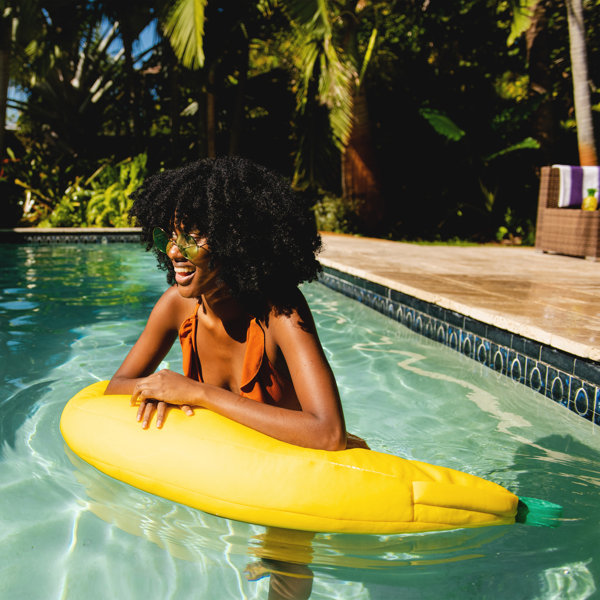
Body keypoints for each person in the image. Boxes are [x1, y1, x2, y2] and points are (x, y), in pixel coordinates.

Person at [105, 156, 368, 450]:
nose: (174, 251)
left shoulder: (281, 313)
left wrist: (198, 393)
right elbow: (115, 387)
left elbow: (329, 433)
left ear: (236, 241)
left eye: (190, 237)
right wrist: (159, 389)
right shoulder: (175, 307)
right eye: (167, 236)